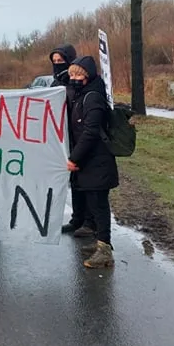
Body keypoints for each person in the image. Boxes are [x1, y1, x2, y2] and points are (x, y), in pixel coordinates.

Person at [66, 56, 119, 269]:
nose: (73, 78)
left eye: (78, 74)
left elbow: (90, 133)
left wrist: (73, 158)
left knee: (99, 205)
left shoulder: (93, 98)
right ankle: (99, 243)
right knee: (93, 205)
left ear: (88, 75)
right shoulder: (83, 95)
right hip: (89, 162)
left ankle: (105, 250)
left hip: (98, 161)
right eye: (71, 75)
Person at [53, 44, 94, 237]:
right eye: (54, 62)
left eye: (61, 61)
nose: (57, 65)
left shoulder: (77, 86)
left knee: (86, 182)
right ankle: (77, 219)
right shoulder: (57, 83)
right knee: (75, 181)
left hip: (79, 137)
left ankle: (89, 221)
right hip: (65, 139)